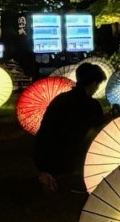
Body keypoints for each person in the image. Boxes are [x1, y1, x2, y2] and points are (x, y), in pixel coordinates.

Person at [34, 63, 109, 194]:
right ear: (93, 83)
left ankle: (51, 177)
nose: (96, 89)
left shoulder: (60, 99)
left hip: (44, 154)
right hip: (69, 157)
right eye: (97, 85)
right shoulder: (91, 105)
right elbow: (96, 129)